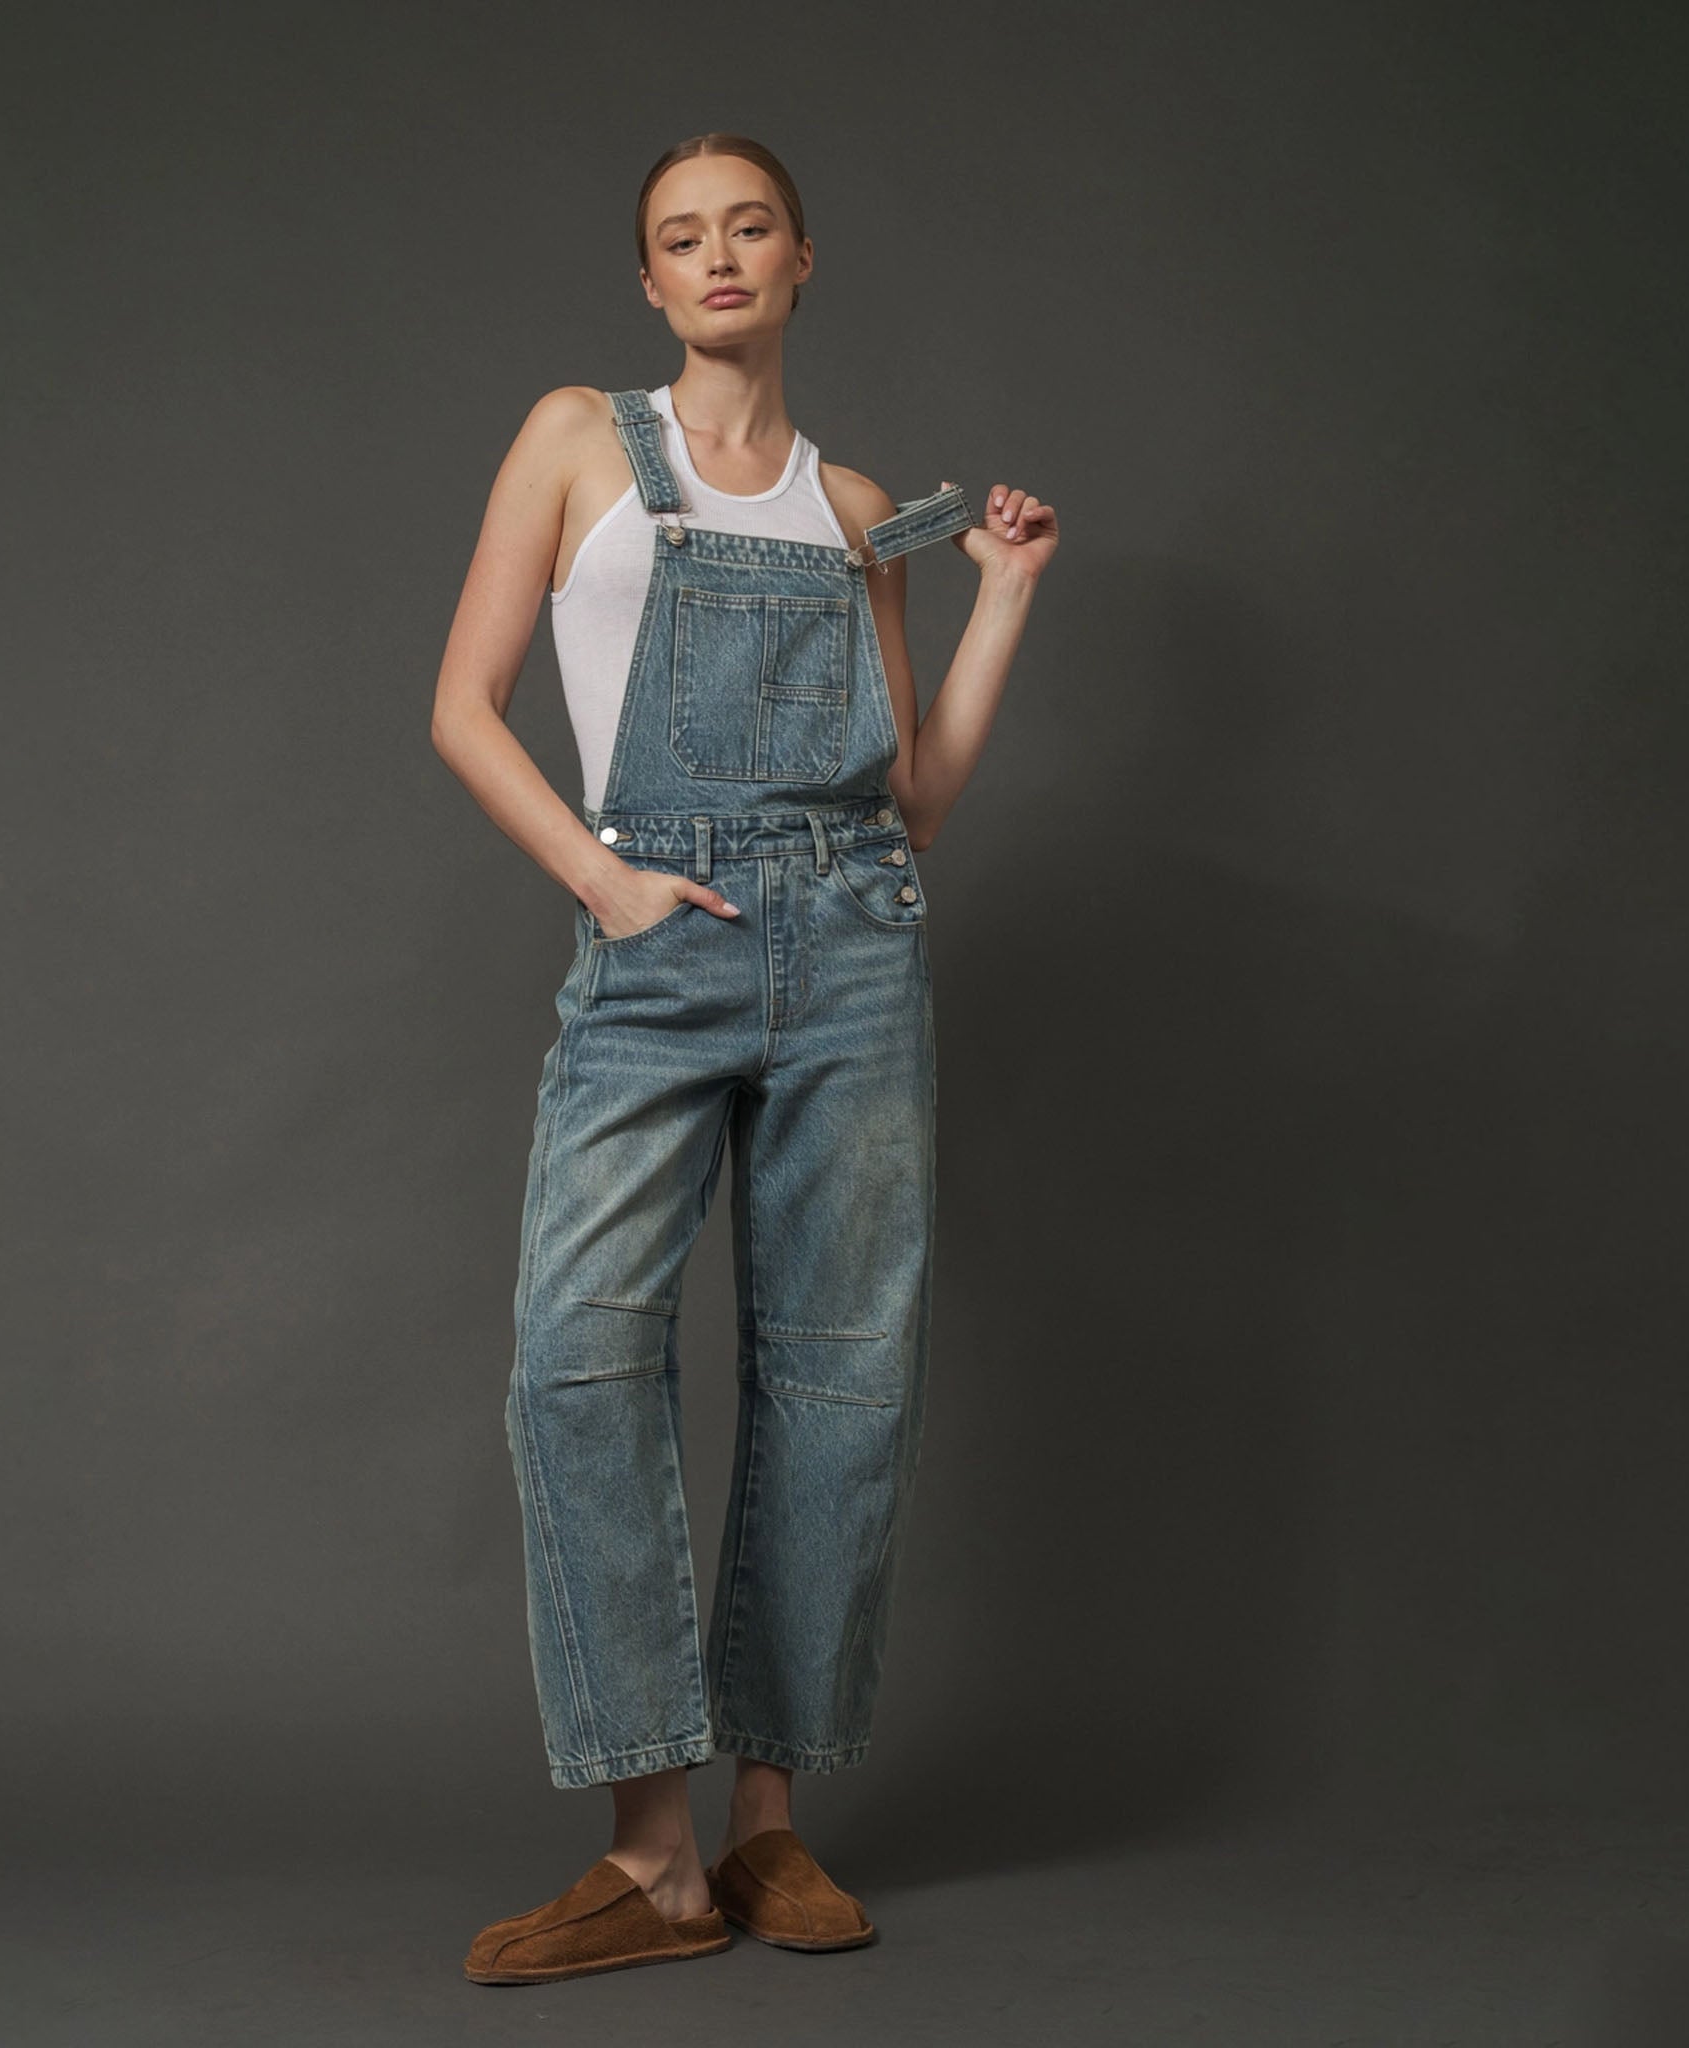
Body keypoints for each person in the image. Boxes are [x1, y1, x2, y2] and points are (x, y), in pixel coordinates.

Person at [430, 133, 1058, 1985]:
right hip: (662, 944)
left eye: (749, 228)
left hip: (858, 945)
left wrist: (1004, 598)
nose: (717, 259)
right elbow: (462, 710)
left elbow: (918, 800)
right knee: (580, 1352)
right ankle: (651, 1853)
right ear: (649, 282)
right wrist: (606, 890)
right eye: (679, 238)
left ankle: (772, 1832)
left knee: (837, 1371)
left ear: (801, 261)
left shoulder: (859, 505)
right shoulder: (573, 440)